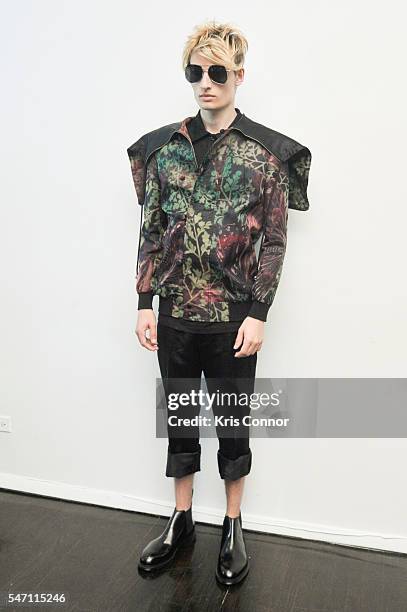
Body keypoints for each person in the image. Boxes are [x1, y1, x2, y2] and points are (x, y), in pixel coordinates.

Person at [127, 20, 312, 585]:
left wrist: (260, 312)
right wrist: (143, 300)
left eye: (217, 73)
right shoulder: (164, 149)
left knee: (232, 422)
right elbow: (151, 228)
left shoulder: (265, 155)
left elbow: (276, 241)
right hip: (176, 311)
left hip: (234, 317)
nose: (205, 83)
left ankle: (233, 526)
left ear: (238, 76)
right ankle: (181, 518)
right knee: (181, 419)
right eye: (195, 73)